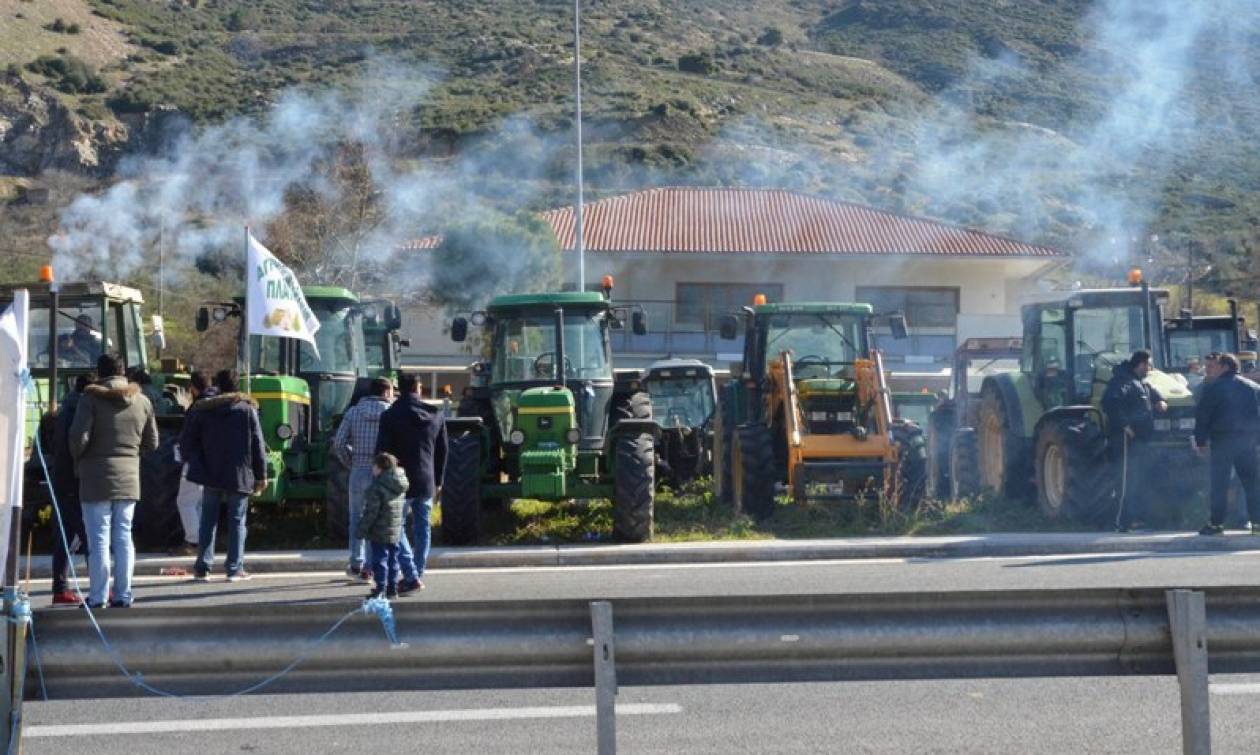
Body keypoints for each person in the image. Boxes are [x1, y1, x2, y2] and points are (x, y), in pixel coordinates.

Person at [68, 354, 158, 608]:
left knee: (98, 539)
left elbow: (78, 440)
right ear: (123, 371)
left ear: (99, 372)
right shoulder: (142, 401)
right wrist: (131, 455)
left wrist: (80, 457)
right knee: (123, 536)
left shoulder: (91, 399)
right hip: (129, 477)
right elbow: (153, 442)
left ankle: (98, 597)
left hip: (95, 478)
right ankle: (123, 594)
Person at [180, 369, 267, 582]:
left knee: (208, 521)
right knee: (237, 521)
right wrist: (261, 474)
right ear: (237, 386)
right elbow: (258, 445)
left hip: (211, 473)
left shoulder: (204, 409)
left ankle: (202, 566)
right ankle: (234, 568)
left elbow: (188, 443)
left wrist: (197, 464)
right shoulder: (247, 410)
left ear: (217, 386)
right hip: (239, 473)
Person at [376, 373, 447, 588]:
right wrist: (439, 480)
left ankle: (410, 574)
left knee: (395, 527)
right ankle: (418, 571)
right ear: (418, 387)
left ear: (399, 388)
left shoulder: (390, 416)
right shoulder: (436, 415)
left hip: (398, 481)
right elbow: (443, 451)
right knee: (422, 528)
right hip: (426, 479)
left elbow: (383, 452)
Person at [1194, 353, 1260, 535]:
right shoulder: (1253, 388)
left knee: (1219, 484)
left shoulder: (1212, 388)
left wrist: (1200, 441)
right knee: (1252, 484)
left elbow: (1203, 417)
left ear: (1225, 367)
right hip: (1248, 442)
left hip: (1222, 442)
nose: (1210, 370)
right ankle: (1257, 524)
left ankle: (1216, 524)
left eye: (1215, 366)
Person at [1102, 349, 1167, 532]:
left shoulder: (1139, 382)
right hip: (1124, 440)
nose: (1150, 368)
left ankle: (1132, 520)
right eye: (1149, 365)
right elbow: (1109, 402)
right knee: (1124, 481)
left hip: (1139, 441)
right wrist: (1124, 425)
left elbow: (1150, 392)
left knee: (1136, 480)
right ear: (1141, 364)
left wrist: (1160, 400)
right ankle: (1119, 522)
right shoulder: (1122, 381)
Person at [48, 374, 93, 605]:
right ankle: (98, 587)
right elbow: (79, 444)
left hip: (60, 478)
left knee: (64, 535)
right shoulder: (80, 410)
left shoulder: (64, 408)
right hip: (75, 479)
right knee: (89, 535)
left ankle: (60, 588)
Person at [170, 371, 213, 557]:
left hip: (195, 462)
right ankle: (205, 541)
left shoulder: (196, 408)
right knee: (200, 503)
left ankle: (194, 541)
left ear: (193, 388)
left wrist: (183, 454)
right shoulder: (216, 404)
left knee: (185, 502)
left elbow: (188, 437)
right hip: (212, 461)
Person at [355, 453, 410, 599]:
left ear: (380, 468)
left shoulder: (377, 487)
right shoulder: (399, 484)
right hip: (395, 529)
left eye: (374, 466)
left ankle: (381, 588)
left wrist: (361, 529)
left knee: (380, 560)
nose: (372, 468)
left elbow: (371, 513)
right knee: (393, 559)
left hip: (379, 530)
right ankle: (392, 589)